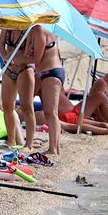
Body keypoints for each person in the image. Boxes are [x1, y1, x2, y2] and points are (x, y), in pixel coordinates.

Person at [1, 28, 40, 149]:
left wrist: (20, 59)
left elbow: (36, 56)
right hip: (9, 68)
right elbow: (1, 44)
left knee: (27, 108)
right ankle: (11, 140)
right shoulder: (7, 27)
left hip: (24, 69)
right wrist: (5, 56)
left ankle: (29, 143)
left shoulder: (31, 31)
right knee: (7, 107)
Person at [34, 29, 66, 158]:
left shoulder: (40, 30)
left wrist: (19, 57)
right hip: (48, 72)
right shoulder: (40, 31)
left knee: (51, 113)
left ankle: (53, 148)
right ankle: (55, 147)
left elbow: (37, 57)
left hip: (51, 72)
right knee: (50, 113)